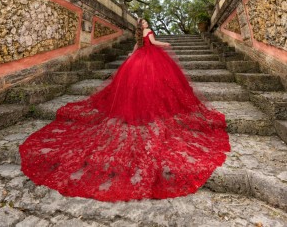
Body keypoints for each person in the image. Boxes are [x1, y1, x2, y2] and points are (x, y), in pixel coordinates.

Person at [19, 18, 230, 202]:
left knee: (137, 86)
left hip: (139, 60)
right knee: (153, 86)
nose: (146, 24)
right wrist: (165, 43)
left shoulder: (139, 36)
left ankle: (138, 109)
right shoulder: (148, 33)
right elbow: (154, 43)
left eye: (145, 22)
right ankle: (149, 110)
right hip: (151, 59)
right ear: (143, 27)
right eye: (144, 22)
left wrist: (130, 55)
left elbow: (137, 49)